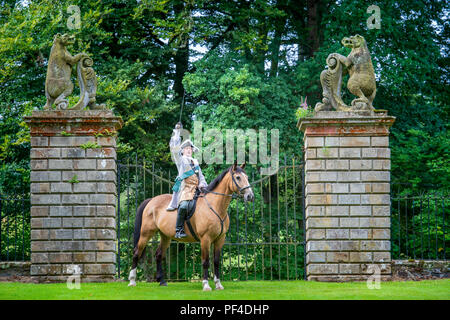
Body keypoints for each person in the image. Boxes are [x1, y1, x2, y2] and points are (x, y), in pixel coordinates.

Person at [167, 122, 208, 238]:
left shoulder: (195, 163)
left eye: (190, 148)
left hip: (196, 190)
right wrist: (177, 132)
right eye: (186, 148)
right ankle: (178, 230)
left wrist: (203, 184)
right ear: (183, 151)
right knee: (184, 206)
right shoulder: (181, 160)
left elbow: (201, 177)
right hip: (184, 190)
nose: (189, 150)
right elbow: (174, 150)